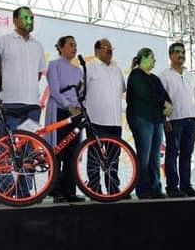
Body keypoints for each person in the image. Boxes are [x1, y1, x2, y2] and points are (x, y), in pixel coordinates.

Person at [159, 42, 195, 197]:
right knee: (172, 153)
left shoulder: (190, 74)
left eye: (183, 52)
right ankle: (172, 187)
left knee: (187, 154)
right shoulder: (164, 75)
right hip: (174, 120)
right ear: (170, 55)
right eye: (178, 52)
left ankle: (186, 186)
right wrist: (164, 119)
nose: (181, 55)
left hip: (191, 120)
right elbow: (161, 99)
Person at [126, 47, 172, 199]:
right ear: (143, 58)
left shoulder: (155, 78)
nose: (154, 61)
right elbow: (145, 94)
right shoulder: (136, 75)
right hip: (141, 118)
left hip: (156, 120)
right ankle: (143, 189)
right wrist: (163, 104)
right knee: (144, 156)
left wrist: (167, 105)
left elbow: (164, 96)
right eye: (152, 57)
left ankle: (156, 187)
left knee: (155, 156)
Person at [45, 36, 85, 203]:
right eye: (70, 45)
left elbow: (81, 93)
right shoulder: (54, 65)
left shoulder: (78, 70)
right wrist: (69, 106)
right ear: (60, 47)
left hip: (75, 113)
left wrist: (78, 105)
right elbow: (54, 90)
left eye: (75, 45)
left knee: (73, 153)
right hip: (60, 111)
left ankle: (70, 190)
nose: (73, 48)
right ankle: (56, 191)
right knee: (57, 151)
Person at [0, 6, 46, 129]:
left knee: (29, 145)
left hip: (33, 105)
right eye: (26, 17)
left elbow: (38, 75)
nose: (30, 21)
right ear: (15, 21)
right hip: (10, 103)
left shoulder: (38, 46)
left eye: (32, 18)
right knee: (7, 145)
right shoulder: (2, 41)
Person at [85, 38, 126, 195]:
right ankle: (95, 188)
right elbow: (81, 91)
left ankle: (113, 187)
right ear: (96, 51)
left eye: (111, 49)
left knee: (114, 156)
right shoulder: (89, 67)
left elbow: (122, 89)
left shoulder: (116, 68)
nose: (109, 51)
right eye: (105, 48)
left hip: (115, 120)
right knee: (95, 155)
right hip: (96, 118)